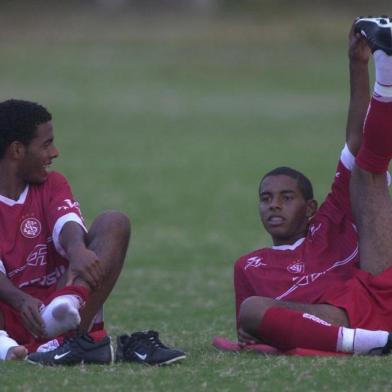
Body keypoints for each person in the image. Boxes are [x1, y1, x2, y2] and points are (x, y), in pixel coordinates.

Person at [234, 17, 392, 355]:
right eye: (266, 198)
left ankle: (386, 68)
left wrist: (356, 63)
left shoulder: (331, 220)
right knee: (251, 309)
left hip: (378, 289)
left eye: (286, 197)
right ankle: (378, 342)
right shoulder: (250, 265)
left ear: (310, 208)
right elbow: (249, 332)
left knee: (367, 168)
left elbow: (355, 138)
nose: (273, 204)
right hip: (338, 320)